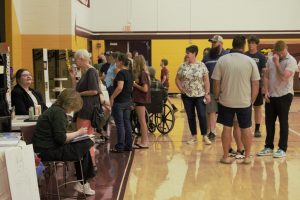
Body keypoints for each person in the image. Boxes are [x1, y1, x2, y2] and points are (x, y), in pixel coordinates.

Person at [32, 89, 95, 195]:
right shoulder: (58, 113)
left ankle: (83, 183)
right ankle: (83, 183)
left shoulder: (55, 110)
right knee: (86, 143)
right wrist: (78, 133)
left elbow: (59, 135)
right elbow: (61, 138)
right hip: (47, 150)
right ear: (70, 103)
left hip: (45, 148)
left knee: (84, 146)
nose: (72, 110)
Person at [212, 35, 260, 164]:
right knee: (246, 128)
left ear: (232, 44)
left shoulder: (222, 60)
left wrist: (217, 97)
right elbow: (255, 83)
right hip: (244, 101)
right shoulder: (250, 61)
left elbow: (216, 82)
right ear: (244, 46)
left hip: (225, 100)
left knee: (227, 128)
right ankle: (247, 157)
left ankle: (226, 156)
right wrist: (252, 100)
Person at [257, 40, 298, 158]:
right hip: (271, 95)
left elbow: (284, 77)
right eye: (277, 52)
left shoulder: (291, 61)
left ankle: (282, 148)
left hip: (285, 95)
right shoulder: (271, 59)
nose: (278, 54)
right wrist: (266, 91)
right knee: (269, 122)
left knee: (283, 122)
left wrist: (277, 63)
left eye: (280, 52)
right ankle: (269, 146)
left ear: (286, 48)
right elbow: (266, 76)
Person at [69, 49, 100, 167]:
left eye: (76, 60)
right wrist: (73, 79)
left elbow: (93, 91)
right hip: (84, 107)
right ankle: (89, 164)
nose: (76, 62)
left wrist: (79, 95)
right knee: (86, 136)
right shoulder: (86, 72)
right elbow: (76, 89)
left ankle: (89, 164)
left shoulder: (91, 71)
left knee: (84, 137)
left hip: (87, 109)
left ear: (81, 59)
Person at [175, 45, 212, 145]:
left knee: (202, 115)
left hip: (200, 95)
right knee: (190, 116)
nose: (186, 55)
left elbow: (206, 80)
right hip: (187, 96)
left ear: (194, 53)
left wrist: (207, 93)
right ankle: (193, 136)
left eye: (188, 53)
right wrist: (181, 89)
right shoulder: (182, 66)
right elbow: (177, 79)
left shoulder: (201, 65)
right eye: (186, 53)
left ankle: (205, 136)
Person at [202, 35, 228, 140]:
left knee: (227, 112)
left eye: (214, 42)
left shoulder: (227, 55)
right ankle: (212, 131)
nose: (212, 44)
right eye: (211, 43)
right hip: (211, 89)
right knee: (211, 110)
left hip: (225, 90)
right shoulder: (207, 56)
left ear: (221, 43)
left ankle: (228, 131)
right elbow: (203, 72)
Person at [109, 53, 133, 152]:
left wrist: (112, 97)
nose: (116, 62)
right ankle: (128, 145)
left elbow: (120, 87)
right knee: (127, 123)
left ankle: (120, 147)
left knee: (120, 124)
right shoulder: (129, 73)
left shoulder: (121, 73)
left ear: (121, 62)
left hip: (119, 102)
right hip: (127, 101)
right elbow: (130, 87)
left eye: (117, 61)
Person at [245, 35, 267, 137]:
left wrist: (263, 87)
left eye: (253, 43)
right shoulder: (244, 55)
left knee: (257, 107)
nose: (250, 45)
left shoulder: (261, 57)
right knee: (245, 107)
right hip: (245, 86)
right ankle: (246, 127)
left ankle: (257, 129)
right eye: (249, 43)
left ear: (256, 44)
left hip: (256, 86)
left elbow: (264, 73)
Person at [132, 55, 151, 148]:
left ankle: (144, 142)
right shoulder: (143, 73)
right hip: (140, 99)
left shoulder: (142, 74)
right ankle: (144, 141)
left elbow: (145, 89)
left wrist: (134, 85)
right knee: (142, 121)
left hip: (141, 99)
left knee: (142, 121)